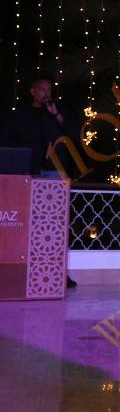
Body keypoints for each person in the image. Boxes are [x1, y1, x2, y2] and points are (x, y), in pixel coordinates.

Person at [0, 73, 79, 288]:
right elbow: (7, 140)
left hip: (54, 172)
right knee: (26, 222)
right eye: (42, 89)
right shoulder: (21, 115)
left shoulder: (57, 112)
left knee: (54, 225)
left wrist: (57, 115)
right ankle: (24, 271)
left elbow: (74, 135)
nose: (46, 92)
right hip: (28, 173)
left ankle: (57, 273)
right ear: (32, 91)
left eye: (49, 89)